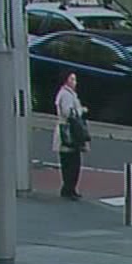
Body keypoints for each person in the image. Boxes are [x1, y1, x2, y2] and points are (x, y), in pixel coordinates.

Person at [53, 71, 87, 200]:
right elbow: (68, 113)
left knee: (70, 162)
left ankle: (69, 188)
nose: (75, 82)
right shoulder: (66, 94)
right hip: (69, 131)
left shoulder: (67, 93)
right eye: (72, 79)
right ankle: (69, 189)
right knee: (71, 162)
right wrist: (81, 110)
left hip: (69, 131)